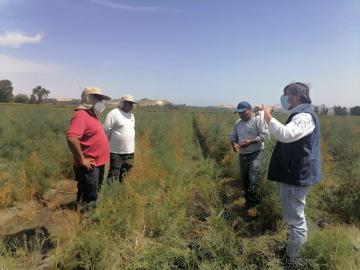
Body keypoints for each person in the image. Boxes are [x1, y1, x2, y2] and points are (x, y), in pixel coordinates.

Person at [262, 82, 321, 263]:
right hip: (292, 173)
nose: (283, 98)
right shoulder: (299, 114)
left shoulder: (304, 116)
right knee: (292, 217)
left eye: (285, 94)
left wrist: (267, 115)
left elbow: (285, 135)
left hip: (296, 175)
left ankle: (293, 259)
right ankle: (292, 249)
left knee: (296, 221)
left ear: (296, 96)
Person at [66, 87, 111, 208]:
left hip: (97, 164)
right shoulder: (80, 115)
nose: (101, 102)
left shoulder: (92, 114)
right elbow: (72, 138)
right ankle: (84, 220)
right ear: (88, 99)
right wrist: (82, 159)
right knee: (88, 196)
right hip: (89, 166)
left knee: (94, 192)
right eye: (98, 98)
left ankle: (89, 213)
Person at [229, 101, 269, 217]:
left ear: (250, 110)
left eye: (243, 112)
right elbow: (233, 136)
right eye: (239, 113)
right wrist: (234, 144)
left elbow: (265, 135)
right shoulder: (238, 123)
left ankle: (255, 207)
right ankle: (248, 203)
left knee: (254, 180)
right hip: (243, 155)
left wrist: (250, 142)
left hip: (256, 154)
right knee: (245, 181)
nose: (241, 115)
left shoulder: (258, 120)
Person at [103, 95, 137, 182]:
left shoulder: (131, 116)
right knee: (113, 175)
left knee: (126, 175)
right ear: (122, 103)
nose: (130, 105)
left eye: (132, 103)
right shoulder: (113, 113)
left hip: (129, 152)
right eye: (128, 103)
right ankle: (110, 193)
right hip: (116, 152)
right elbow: (105, 130)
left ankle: (121, 192)